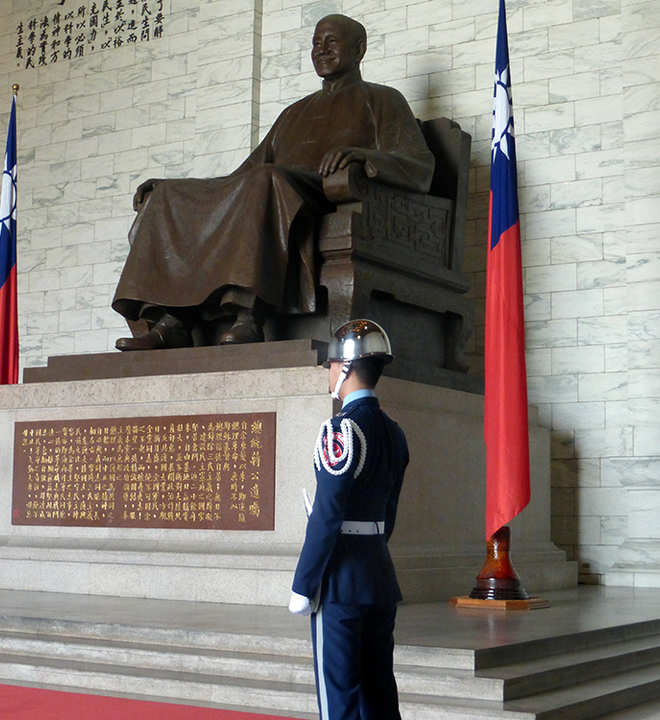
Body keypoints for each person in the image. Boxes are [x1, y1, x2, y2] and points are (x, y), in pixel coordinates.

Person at [113, 15, 434, 350]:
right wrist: (174, 187)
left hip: (322, 192)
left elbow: (420, 166)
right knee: (169, 194)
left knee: (266, 179)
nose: (321, 50)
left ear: (359, 49)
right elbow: (241, 176)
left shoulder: (382, 100)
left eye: (331, 41)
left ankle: (250, 317)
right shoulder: (293, 113)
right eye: (315, 43)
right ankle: (173, 321)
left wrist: (362, 156)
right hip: (271, 189)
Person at [289, 319, 408, 720]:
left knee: (338, 698)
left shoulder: (341, 429)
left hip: (339, 584)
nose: (327, 373)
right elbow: (388, 513)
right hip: (378, 576)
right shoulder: (394, 432)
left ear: (345, 369)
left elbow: (327, 514)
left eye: (330, 365)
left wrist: (304, 583)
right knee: (379, 696)